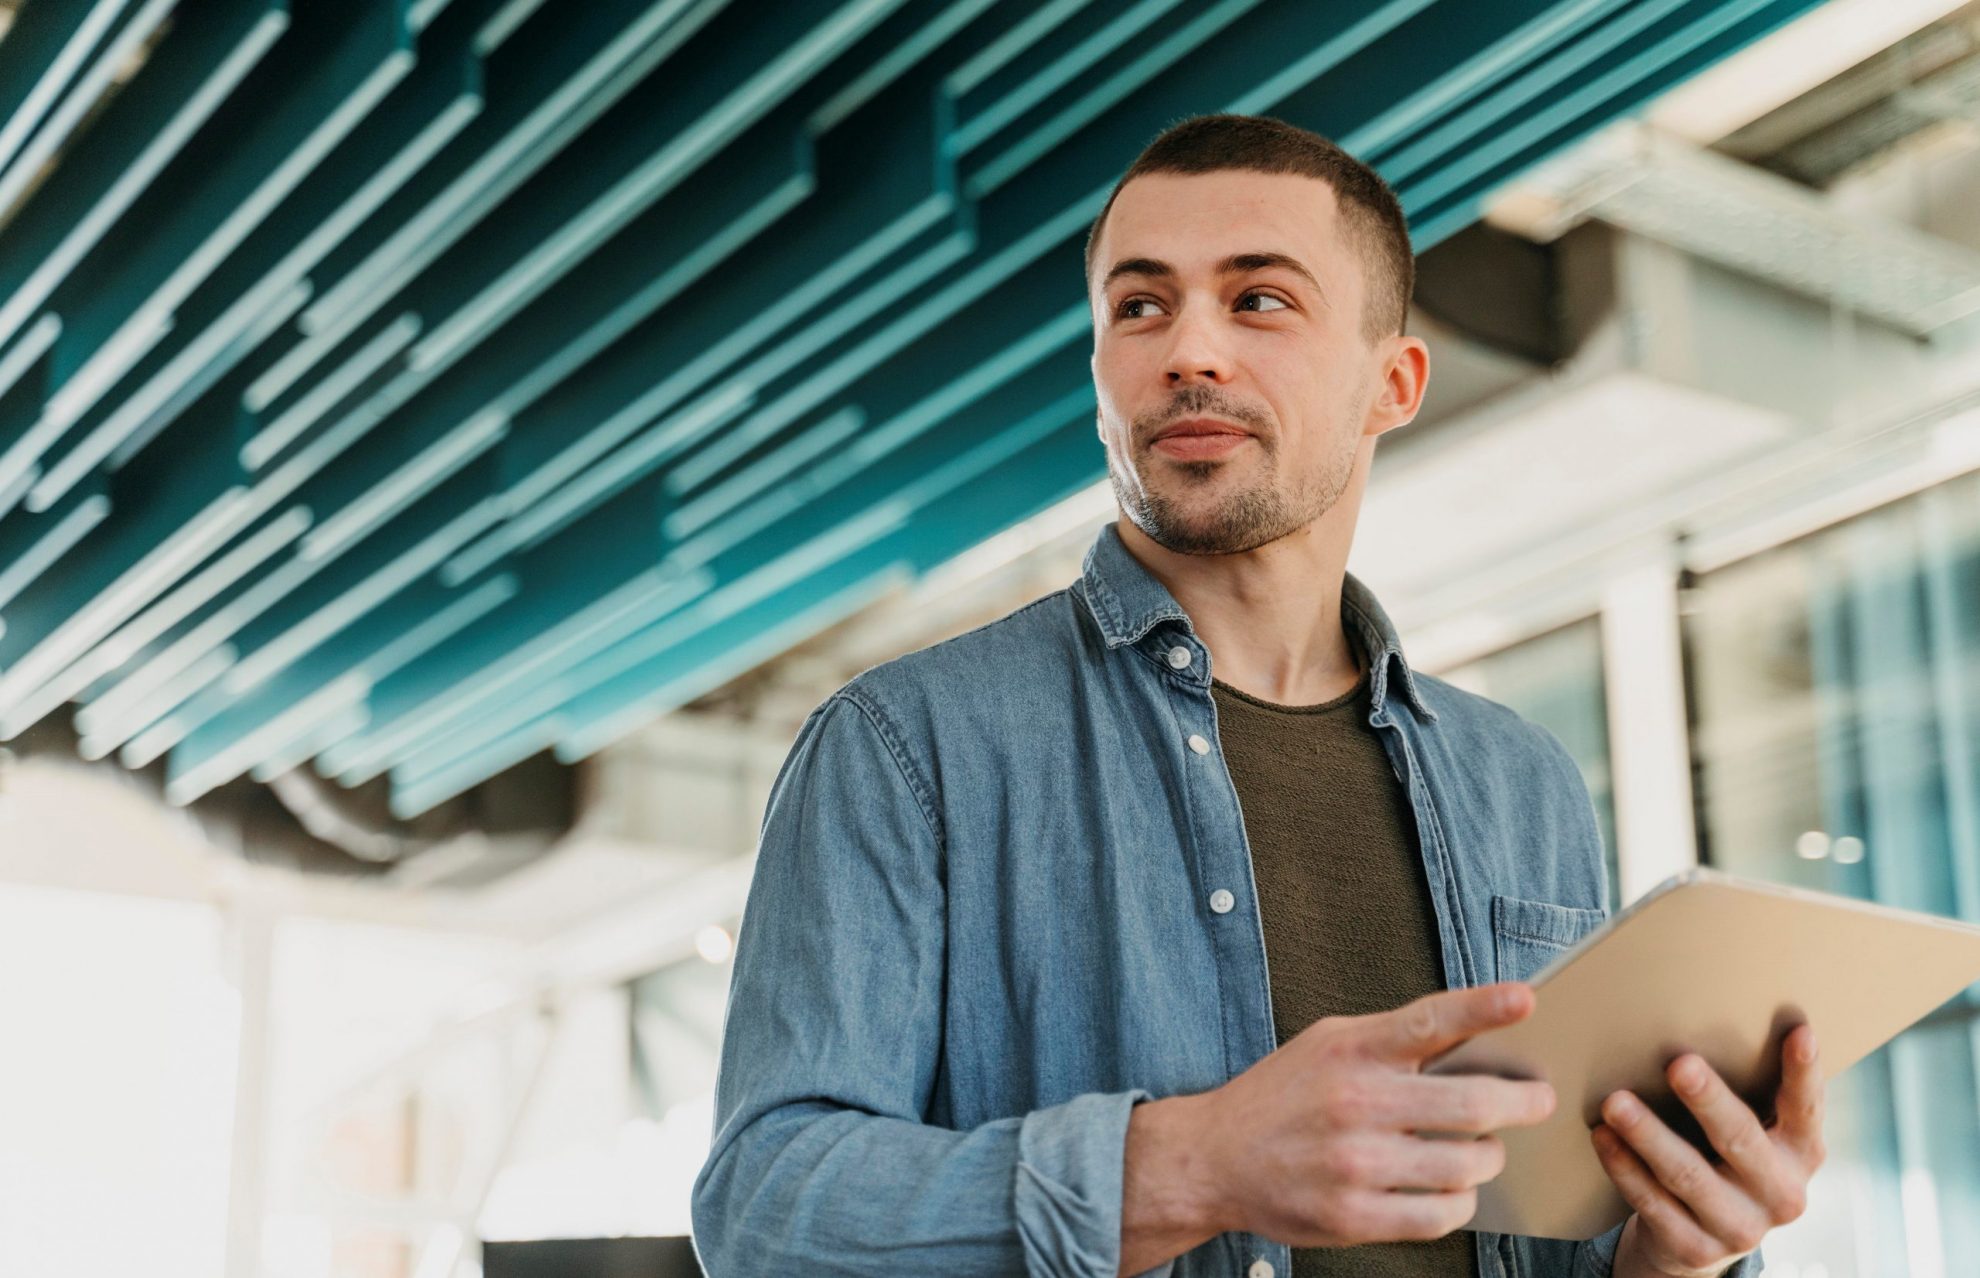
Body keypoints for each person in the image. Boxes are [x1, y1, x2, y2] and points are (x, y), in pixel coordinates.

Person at [690, 114, 1825, 1278]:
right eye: (1139, 307)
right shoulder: (903, 747)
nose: (1190, 351)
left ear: (1394, 382)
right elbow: (767, 1208)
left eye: (1260, 300)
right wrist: (1193, 1164)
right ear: (1098, 374)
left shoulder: (1522, 780)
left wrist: (1675, 1247)